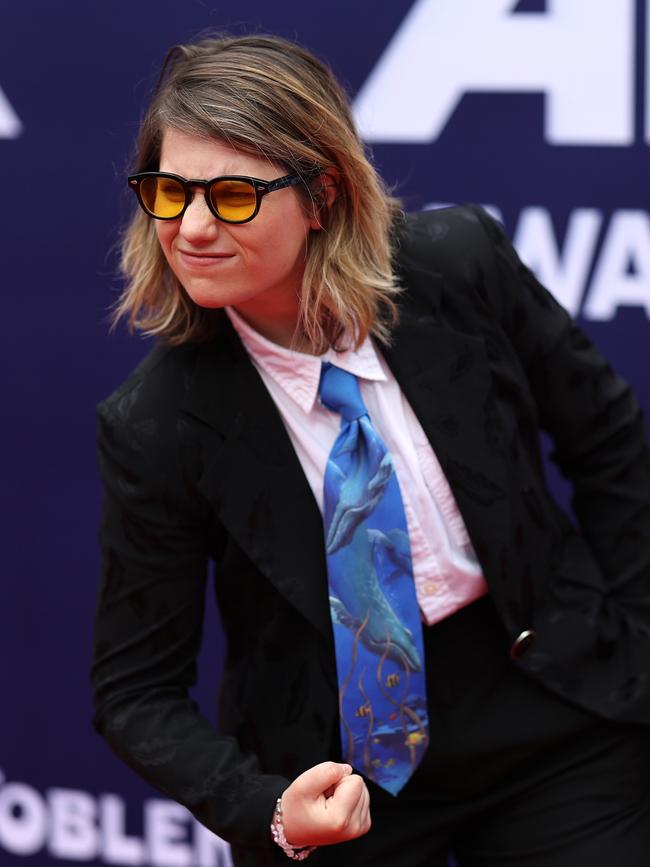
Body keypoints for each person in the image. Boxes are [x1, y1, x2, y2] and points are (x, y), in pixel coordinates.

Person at [92, 32, 650, 867]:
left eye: (234, 196)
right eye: (169, 192)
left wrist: (637, 638)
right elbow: (133, 691)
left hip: (553, 711)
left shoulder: (459, 264)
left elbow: (610, 446)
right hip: (343, 782)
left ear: (321, 195)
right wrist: (271, 808)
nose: (193, 227)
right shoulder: (156, 421)